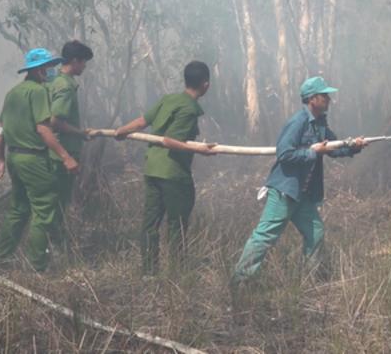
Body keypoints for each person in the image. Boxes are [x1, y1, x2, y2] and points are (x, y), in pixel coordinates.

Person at [231, 76, 366, 286]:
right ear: (312, 99)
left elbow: (333, 149)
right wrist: (313, 153)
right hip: (285, 191)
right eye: (324, 96)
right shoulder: (298, 122)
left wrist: (354, 147)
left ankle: (311, 281)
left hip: (303, 194)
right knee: (265, 237)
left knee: (316, 232)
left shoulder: (321, 123)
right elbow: (284, 153)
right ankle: (239, 282)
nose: (329, 99)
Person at [114, 61, 216, 275]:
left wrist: (122, 130)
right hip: (173, 174)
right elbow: (170, 140)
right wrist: (201, 150)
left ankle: (149, 273)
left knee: (150, 223)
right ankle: (177, 274)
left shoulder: (169, 99)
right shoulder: (189, 109)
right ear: (205, 85)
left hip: (153, 169)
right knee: (177, 225)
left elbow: (143, 121)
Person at [0, 48, 79, 272]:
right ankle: (35, 268)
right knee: (44, 212)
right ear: (37, 70)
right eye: (47, 67)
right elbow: (44, 130)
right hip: (34, 159)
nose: (50, 71)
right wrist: (66, 157)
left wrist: (0, 158)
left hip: (14, 158)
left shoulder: (13, 92)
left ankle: (0, 260)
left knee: (18, 210)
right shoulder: (38, 92)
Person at [49, 40, 93, 216]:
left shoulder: (53, 80)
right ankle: (53, 241)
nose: (84, 66)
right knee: (58, 204)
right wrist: (80, 133)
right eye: (83, 62)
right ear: (75, 61)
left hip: (53, 152)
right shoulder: (66, 86)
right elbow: (55, 122)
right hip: (62, 154)